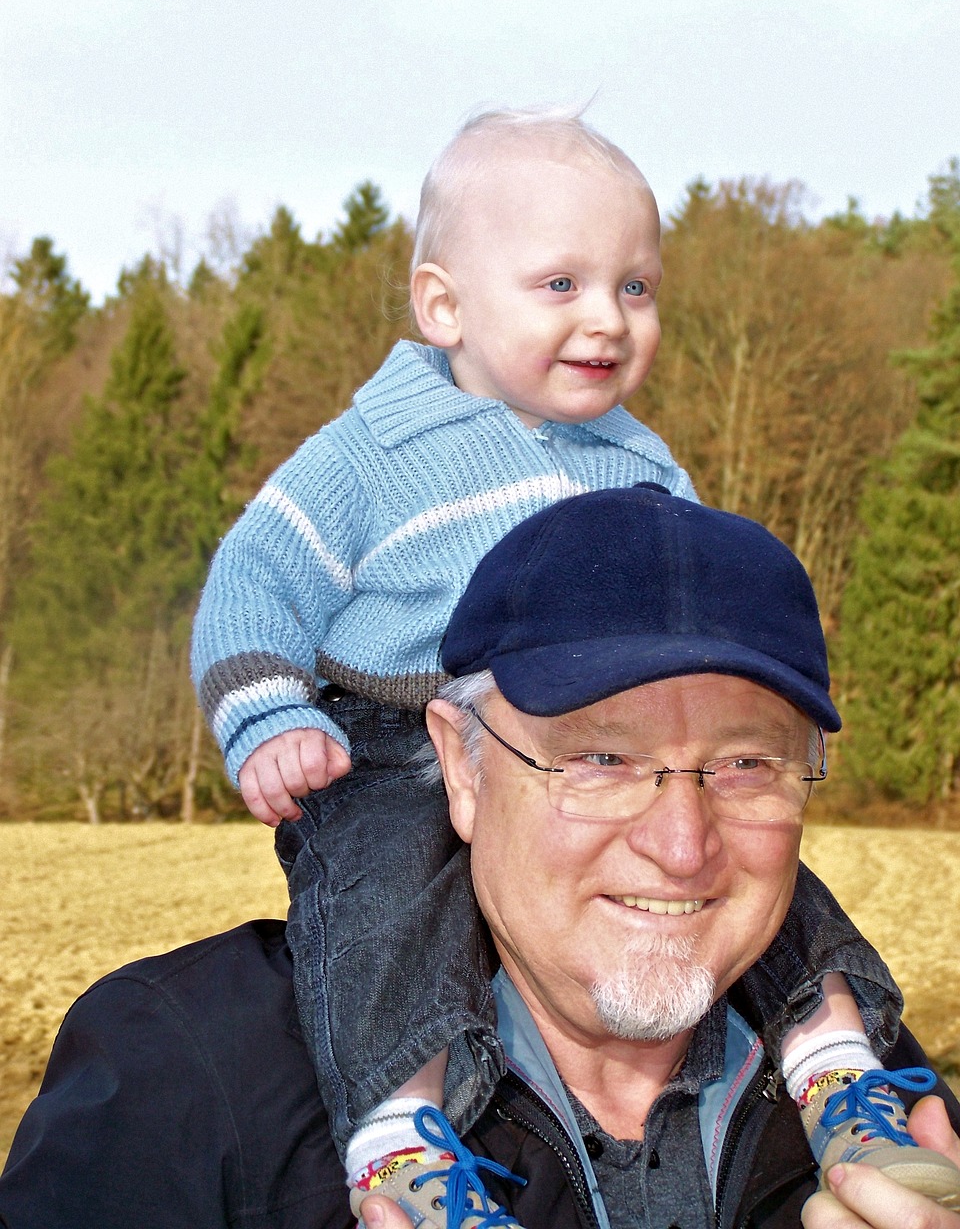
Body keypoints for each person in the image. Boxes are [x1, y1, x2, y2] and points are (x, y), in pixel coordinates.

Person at [189, 108, 945, 1224]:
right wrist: (266, 715)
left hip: (520, 724)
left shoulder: (640, 458)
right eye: (562, 286)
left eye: (635, 287)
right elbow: (257, 576)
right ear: (443, 303)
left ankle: (838, 1061)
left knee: (754, 865)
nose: (607, 319)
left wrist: (720, 742)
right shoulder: (373, 449)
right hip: (395, 731)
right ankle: (401, 1135)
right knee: (382, 902)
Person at [2, 486, 959, 1229]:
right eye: (600, 758)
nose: (681, 845)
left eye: (747, 764)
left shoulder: (893, 1105)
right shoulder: (183, 1079)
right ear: (460, 766)